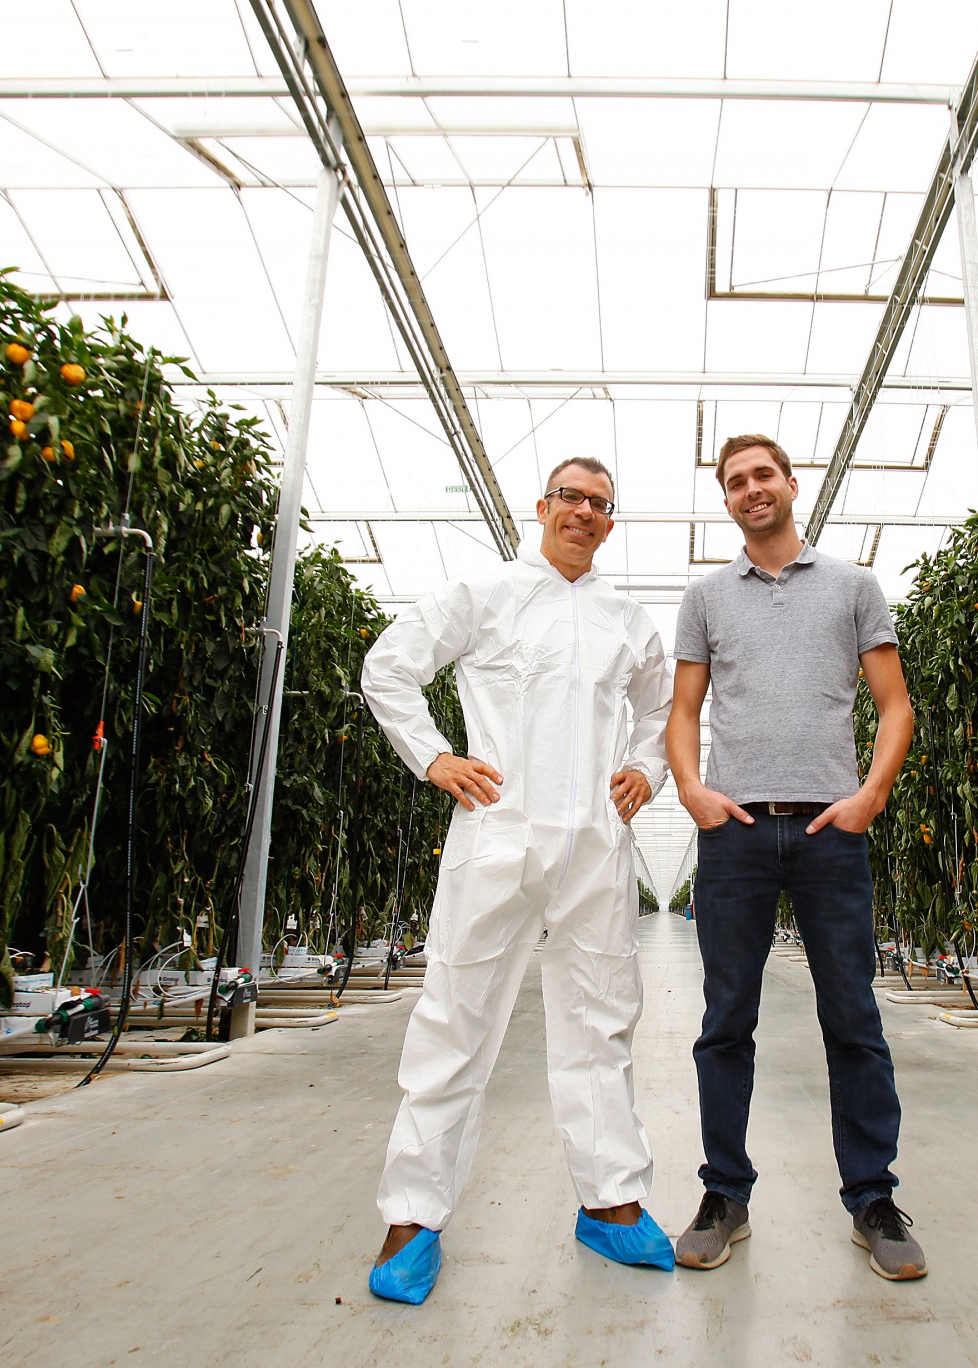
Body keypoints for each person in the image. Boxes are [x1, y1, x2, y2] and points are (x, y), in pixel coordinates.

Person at [359, 458, 676, 1304]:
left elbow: (660, 712)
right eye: (571, 497)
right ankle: (411, 1219)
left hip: (596, 846)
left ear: (610, 524)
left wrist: (646, 769)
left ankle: (610, 1204)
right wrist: (433, 757)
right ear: (540, 508)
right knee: (454, 1017)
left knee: (599, 1019)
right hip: (497, 832)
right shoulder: (484, 593)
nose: (584, 512)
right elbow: (389, 666)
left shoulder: (627, 619)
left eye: (601, 504)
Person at [667, 434, 925, 1281]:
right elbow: (683, 710)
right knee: (725, 1021)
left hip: (829, 831)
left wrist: (870, 795)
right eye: (735, 482)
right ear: (727, 498)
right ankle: (724, 1194)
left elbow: (894, 705)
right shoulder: (706, 597)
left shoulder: (853, 587)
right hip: (735, 834)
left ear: (790, 483)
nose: (751, 490)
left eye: (763, 476)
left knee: (852, 1015)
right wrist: (693, 791)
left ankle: (873, 1198)